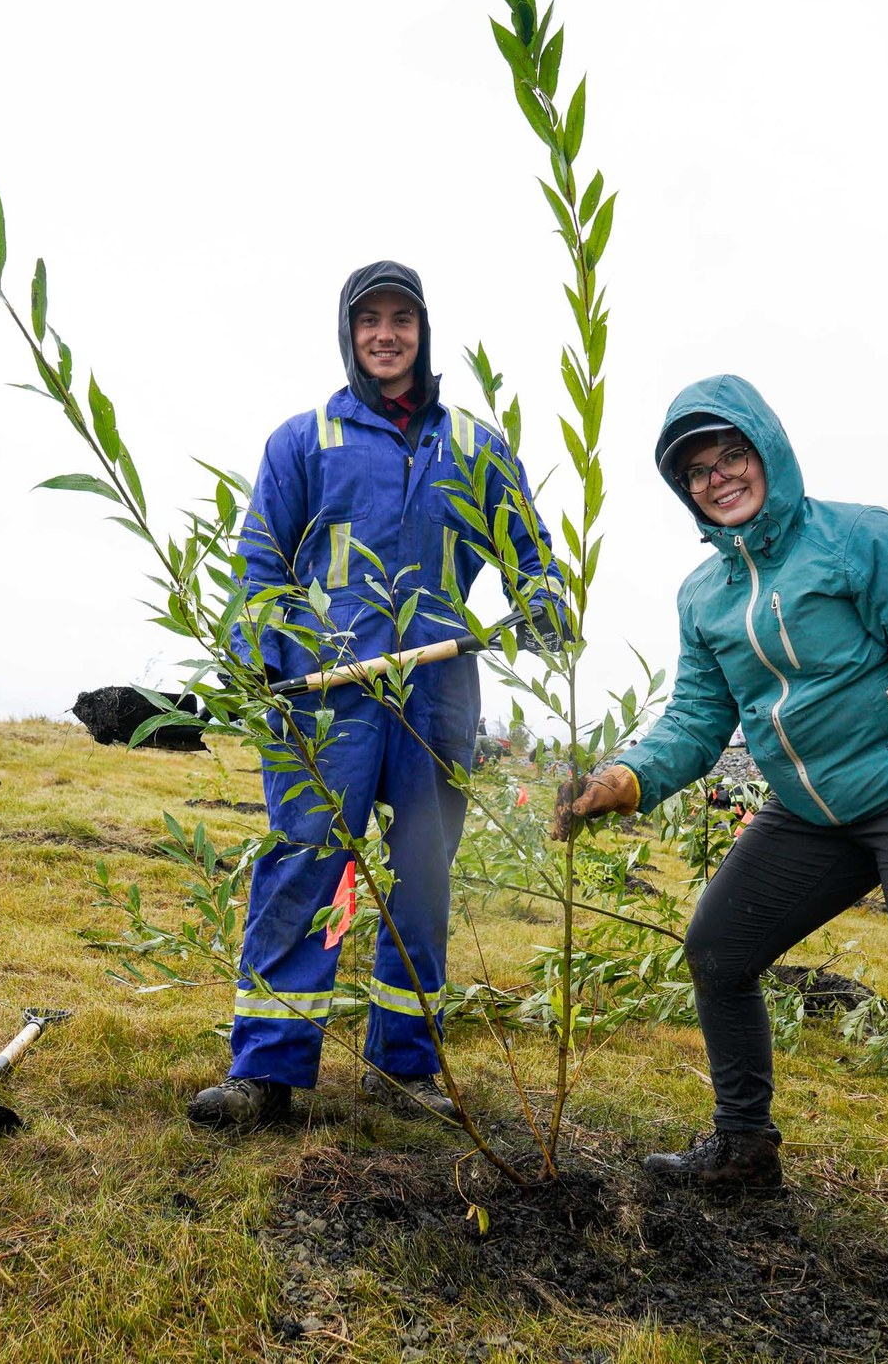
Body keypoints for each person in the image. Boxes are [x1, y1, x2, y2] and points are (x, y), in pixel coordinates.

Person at [551, 375, 888, 1327]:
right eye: (696, 471)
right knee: (718, 950)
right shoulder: (704, 593)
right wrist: (623, 777)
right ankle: (744, 1146)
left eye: (730, 455)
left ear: (767, 450)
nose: (717, 477)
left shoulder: (865, 540)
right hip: (814, 810)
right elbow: (698, 718)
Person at [189, 262, 565, 1130]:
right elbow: (259, 566)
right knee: (304, 862)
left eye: (402, 318)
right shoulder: (302, 439)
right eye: (371, 321)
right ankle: (267, 1072)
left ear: (424, 331)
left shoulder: (476, 445)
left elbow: (532, 555)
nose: (386, 334)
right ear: (349, 334)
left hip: (437, 693)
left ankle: (407, 1068)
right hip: (325, 699)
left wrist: (542, 599)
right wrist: (260, 652)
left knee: (422, 878)